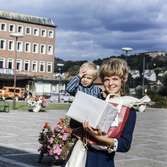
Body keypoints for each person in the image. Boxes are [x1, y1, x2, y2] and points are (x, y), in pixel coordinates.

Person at [83, 58, 137, 167]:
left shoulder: (128, 109)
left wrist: (99, 138)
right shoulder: (96, 100)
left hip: (104, 162)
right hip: (82, 159)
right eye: (107, 79)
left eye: (115, 79)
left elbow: (125, 145)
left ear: (123, 79)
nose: (110, 83)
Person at [66, 62, 102, 129]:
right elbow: (69, 89)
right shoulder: (77, 88)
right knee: (76, 134)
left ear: (93, 79)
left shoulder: (97, 90)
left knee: (89, 135)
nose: (85, 79)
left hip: (91, 119)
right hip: (77, 118)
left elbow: (99, 104)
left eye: (89, 78)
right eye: (83, 77)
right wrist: (78, 76)